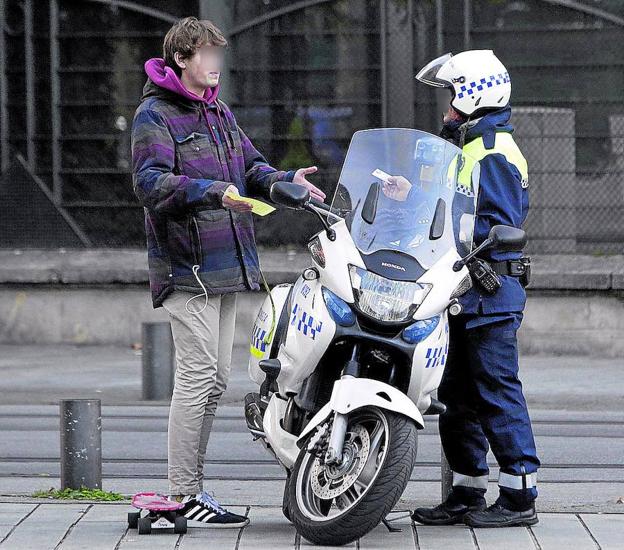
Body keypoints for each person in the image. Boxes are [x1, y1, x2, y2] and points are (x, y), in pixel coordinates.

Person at [131, 16, 324, 527]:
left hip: (226, 266)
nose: (215, 64)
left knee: (214, 382)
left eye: (218, 55)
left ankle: (190, 491)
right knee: (197, 380)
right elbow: (150, 183)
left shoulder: (218, 113)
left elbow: (252, 167)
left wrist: (287, 182)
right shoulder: (155, 115)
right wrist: (211, 190)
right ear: (181, 60)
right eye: (207, 55)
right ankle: (182, 492)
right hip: (185, 267)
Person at [409, 50, 540, 528]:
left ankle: (520, 497)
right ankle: (466, 492)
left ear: (472, 94)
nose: (445, 109)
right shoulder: (466, 148)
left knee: (496, 390)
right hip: (459, 291)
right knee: (457, 394)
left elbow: (499, 224)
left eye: (451, 97)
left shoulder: (493, 151)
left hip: (489, 291)